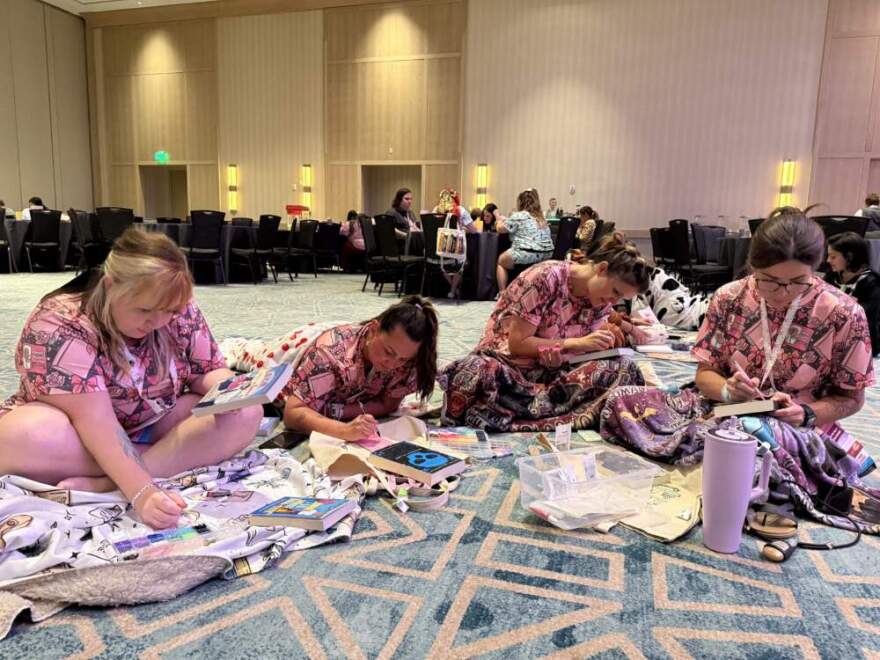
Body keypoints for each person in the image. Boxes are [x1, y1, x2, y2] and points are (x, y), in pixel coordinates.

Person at [0, 229, 261, 529]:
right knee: (24, 435)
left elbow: (205, 369)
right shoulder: (60, 323)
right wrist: (142, 492)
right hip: (77, 438)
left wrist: (235, 391)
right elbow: (95, 422)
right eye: (145, 310)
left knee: (245, 413)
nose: (158, 322)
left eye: (170, 312)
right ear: (111, 286)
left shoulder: (175, 306)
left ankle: (106, 485)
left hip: (150, 422)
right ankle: (143, 469)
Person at [439, 233, 651, 431]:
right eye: (614, 292)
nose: (613, 302)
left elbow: (573, 357)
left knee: (625, 370)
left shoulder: (600, 303)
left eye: (619, 298)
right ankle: (553, 410)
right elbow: (517, 344)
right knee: (476, 370)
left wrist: (568, 354)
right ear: (602, 269)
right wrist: (574, 345)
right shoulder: (546, 277)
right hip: (509, 366)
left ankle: (527, 408)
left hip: (550, 375)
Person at [223, 296, 438, 442]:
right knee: (250, 356)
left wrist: (338, 411)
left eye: (402, 359)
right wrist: (344, 430)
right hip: (298, 347)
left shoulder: (409, 361)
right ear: (373, 330)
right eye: (389, 352)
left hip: (343, 349)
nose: (392, 364)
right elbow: (293, 413)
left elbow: (387, 404)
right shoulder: (329, 354)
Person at [825, 232, 880, 356]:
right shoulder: (832, 276)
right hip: (832, 341)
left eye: (833, 257)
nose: (828, 260)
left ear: (849, 257)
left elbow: (864, 315)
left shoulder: (872, 282)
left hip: (862, 345)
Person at [494, 189, 554, 293]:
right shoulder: (541, 217)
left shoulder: (519, 215)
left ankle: (502, 294)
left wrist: (498, 219)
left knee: (501, 261)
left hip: (526, 252)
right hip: (547, 254)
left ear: (521, 202)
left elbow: (500, 229)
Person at [433, 188, 476, 299]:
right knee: (462, 263)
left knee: (443, 263)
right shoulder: (460, 210)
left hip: (439, 253)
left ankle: (452, 288)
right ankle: (453, 289)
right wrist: (462, 229)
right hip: (456, 251)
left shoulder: (435, 210)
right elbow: (474, 230)